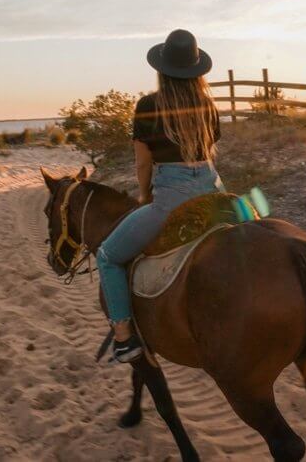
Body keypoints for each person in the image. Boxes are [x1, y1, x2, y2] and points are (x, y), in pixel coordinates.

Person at [98, 29, 224, 363]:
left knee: (108, 256)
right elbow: (209, 152)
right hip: (213, 190)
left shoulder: (149, 105)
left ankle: (124, 338)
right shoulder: (208, 105)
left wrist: (144, 197)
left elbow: (143, 163)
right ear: (197, 70)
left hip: (172, 196)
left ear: (161, 69)